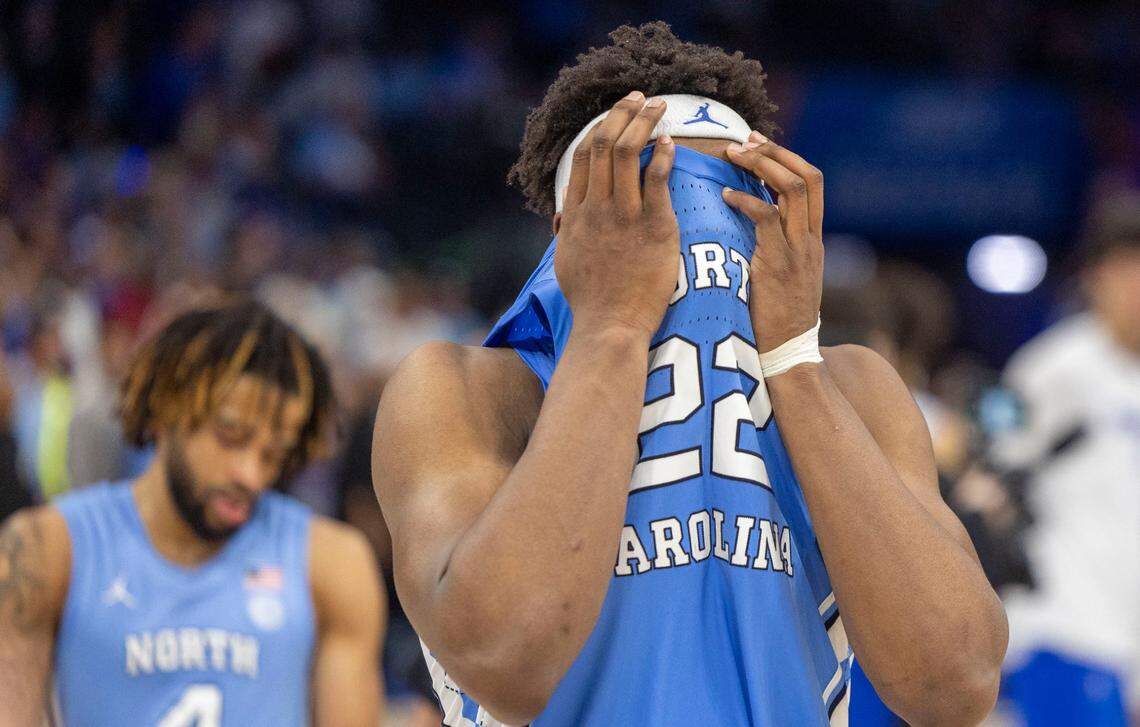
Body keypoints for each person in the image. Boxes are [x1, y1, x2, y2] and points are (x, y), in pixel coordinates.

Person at [373, 22, 1007, 727]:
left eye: (734, 197)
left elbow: (956, 684)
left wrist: (793, 364)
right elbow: (508, 660)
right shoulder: (469, 391)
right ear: (570, 232)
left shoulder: (851, 387)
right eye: (651, 191)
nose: (699, 228)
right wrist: (612, 328)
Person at [0, 299, 385, 726]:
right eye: (230, 436)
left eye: (274, 454)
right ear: (168, 407)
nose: (251, 475)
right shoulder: (47, 548)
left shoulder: (333, 562)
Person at [994, 192, 1140, 726]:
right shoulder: (1052, 368)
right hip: (1069, 627)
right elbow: (991, 467)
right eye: (1127, 271)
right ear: (1096, 280)